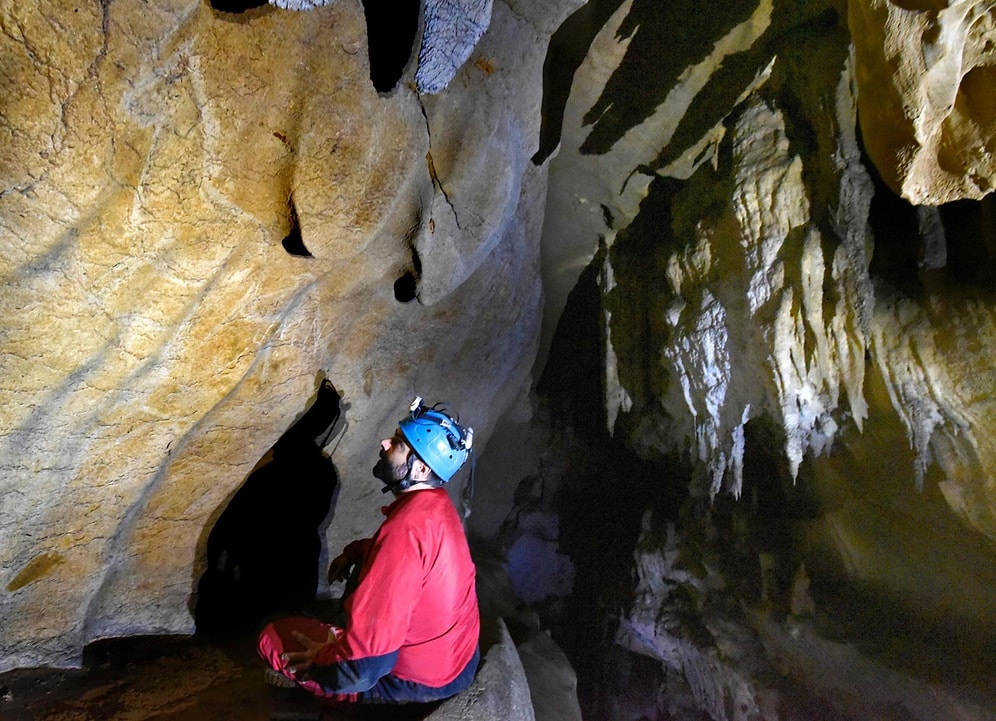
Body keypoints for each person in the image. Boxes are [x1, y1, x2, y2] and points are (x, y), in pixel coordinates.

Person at [257, 395, 480, 704]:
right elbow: (410, 562)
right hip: (458, 661)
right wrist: (353, 552)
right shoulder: (437, 507)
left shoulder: (405, 531)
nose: (385, 444)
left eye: (399, 445)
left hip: (414, 682)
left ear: (421, 469)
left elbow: (365, 667)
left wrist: (321, 662)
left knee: (271, 634)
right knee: (358, 593)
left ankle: (338, 697)